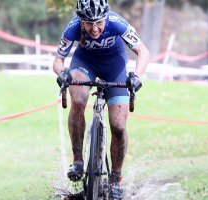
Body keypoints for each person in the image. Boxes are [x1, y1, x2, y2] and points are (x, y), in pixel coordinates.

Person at [53, 0, 150, 199]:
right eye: (89, 24)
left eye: (99, 23)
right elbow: (58, 61)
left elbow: (143, 51)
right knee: (78, 100)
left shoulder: (117, 22)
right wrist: (62, 73)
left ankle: (115, 179)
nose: (95, 29)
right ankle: (78, 160)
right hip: (85, 63)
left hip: (114, 67)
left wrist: (137, 76)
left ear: (106, 18)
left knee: (118, 125)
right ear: (81, 21)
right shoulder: (73, 27)